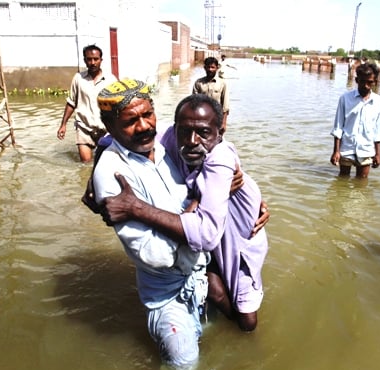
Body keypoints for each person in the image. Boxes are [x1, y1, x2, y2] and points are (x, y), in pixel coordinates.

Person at [102, 94, 268, 332]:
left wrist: (134, 207)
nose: (191, 141)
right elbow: (118, 138)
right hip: (213, 227)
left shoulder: (220, 158)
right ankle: (215, 304)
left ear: (220, 133)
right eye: (184, 131)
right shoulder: (172, 136)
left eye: (203, 132)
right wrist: (99, 164)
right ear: (175, 127)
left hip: (239, 239)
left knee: (247, 320)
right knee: (215, 283)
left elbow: (206, 236)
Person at [92, 79, 210, 370]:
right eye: (131, 121)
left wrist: (248, 195)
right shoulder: (111, 174)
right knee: (184, 365)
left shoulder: (169, 146)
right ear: (109, 125)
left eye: (148, 114)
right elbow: (154, 254)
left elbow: (216, 167)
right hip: (166, 290)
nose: (144, 126)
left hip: (203, 272)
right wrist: (196, 220)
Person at [57, 44, 117, 163]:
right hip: (84, 128)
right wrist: (63, 124)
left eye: (96, 59)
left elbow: (118, 105)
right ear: (85, 60)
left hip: (105, 129)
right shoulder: (78, 78)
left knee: (104, 163)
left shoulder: (111, 80)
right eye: (89, 59)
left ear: (101, 60)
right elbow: (71, 103)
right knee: (85, 164)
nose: (93, 62)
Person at [330, 62, 380, 178]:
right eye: (362, 81)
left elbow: (378, 131)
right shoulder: (345, 98)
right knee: (342, 180)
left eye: (369, 82)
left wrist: (378, 154)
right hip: (347, 148)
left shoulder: (378, 101)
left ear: (374, 82)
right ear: (356, 80)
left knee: (362, 182)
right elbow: (338, 127)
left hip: (366, 148)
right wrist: (336, 151)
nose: (366, 86)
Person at [192, 57, 230, 134]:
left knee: (216, 142)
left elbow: (225, 106)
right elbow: (194, 103)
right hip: (201, 119)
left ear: (217, 68)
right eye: (208, 67)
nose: (210, 69)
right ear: (204, 68)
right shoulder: (198, 83)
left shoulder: (222, 83)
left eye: (212, 67)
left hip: (216, 120)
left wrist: (224, 123)